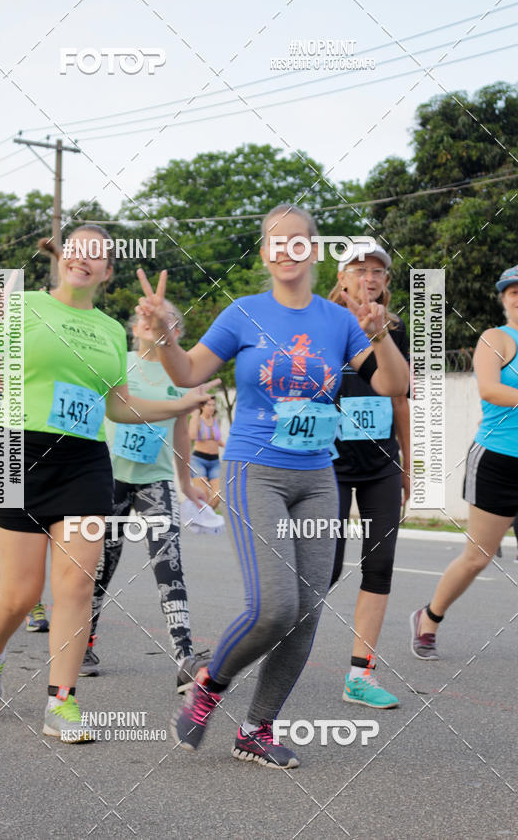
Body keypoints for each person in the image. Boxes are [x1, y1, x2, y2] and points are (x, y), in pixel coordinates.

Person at [136, 204, 408, 768]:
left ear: (313, 250)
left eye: (298, 241)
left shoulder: (340, 322)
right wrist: (163, 335)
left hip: (318, 478)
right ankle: (211, 683)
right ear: (265, 253)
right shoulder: (244, 313)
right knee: (275, 606)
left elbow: (392, 384)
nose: (287, 251)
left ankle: (257, 728)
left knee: (308, 611)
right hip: (254, 470)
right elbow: (186, 372)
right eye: (276, 242)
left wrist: (380, 335)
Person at [0, 225, 218, 743]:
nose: (84, 258)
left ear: (107, 272)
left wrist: (180, 404)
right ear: (62, 257)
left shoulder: (110, 330)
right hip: (15, 454)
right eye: (77, 249)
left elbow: (119, 405)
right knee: (22, 593)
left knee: (75, 583)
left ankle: (62, 702)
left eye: (97, 254)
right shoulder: (21, 305)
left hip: (84, 461)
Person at [80, 304, 211, 690]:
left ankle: (184, 656)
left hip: (155, 481)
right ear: (135, 327)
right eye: (145, 318)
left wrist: (186, 483)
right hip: (110, 479)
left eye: (164, 319)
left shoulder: (181, 372)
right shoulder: (118, 362)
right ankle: (83, 642)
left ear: (176, 332)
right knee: (101, 566)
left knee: (169, 564)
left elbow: (182, 431)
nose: (152, 323)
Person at [411, 265, 518, 658]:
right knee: (478, 556)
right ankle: (429, 618)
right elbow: (490, 389)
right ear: (504, 300)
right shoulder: (496, 338)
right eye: (513, 292)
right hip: (498, 462)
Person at [328, 243, 410, 708]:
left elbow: (400, 399)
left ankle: (360, 676)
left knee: (379, 566)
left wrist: (407, 465)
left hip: (381, 465)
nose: (370, 277)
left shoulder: (394, 331)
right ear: (341, 277)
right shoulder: (323, 323)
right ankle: (277, 649)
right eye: (359, 269)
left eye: (378, 270)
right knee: (325, 566)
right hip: (330, 464)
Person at [189, 397, 225, 510]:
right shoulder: (197, 420)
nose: (212, 407)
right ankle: (204, 516)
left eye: (213, 405)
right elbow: (192, 436)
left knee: (217, 496)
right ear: (202, 407)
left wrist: (231, 448)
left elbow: (218, 441)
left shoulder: (216, 421)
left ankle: (206, 515)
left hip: (214, 461)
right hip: (198, 461)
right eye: (209, 405)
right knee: (204, 495)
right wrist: (194, 416)